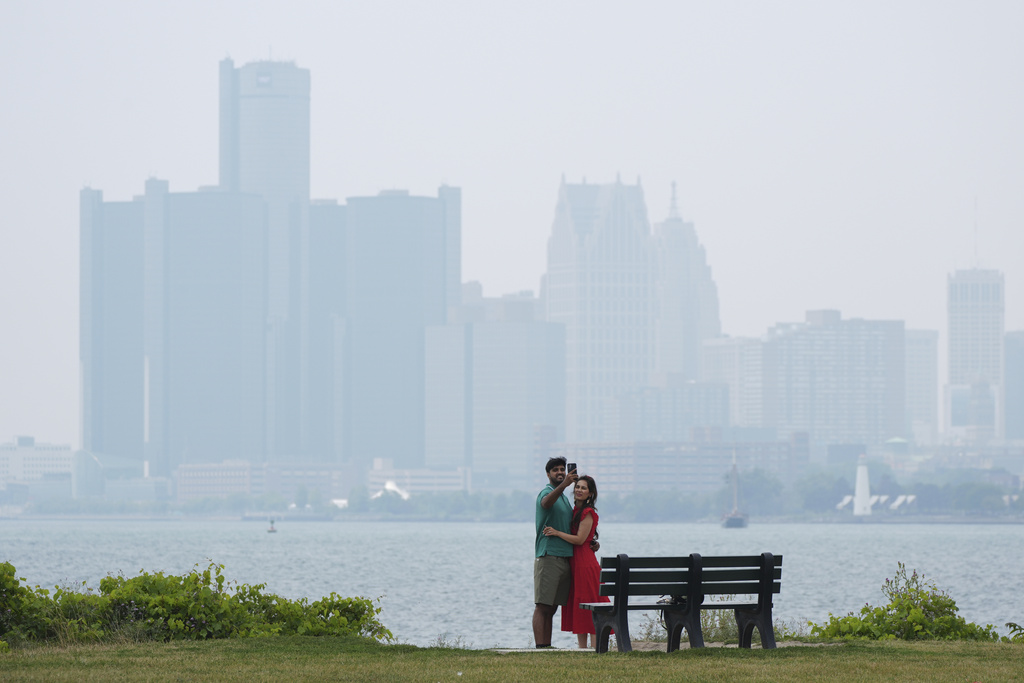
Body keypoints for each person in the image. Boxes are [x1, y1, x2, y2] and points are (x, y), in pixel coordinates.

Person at [543, 474, 610, 649]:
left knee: (591, 605)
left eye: (583, 488)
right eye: (577, 487)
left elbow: (580, 540)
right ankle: (582, 649)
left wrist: (557, 533)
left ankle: (597, 648)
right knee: (580, 605)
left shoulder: (588, 513)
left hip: (586, 565)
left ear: (590, 493)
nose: (579, 490)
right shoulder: (574, 511)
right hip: (575, 564)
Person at [532, 456, 576, 648]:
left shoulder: (564, 498)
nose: (560, 472)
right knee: (542, 606)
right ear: (548, 474)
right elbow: (546, 504)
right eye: (556, 470)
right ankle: (540, 647)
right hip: (548, 555)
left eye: (562, 469)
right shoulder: (548, 492)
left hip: (565, 556)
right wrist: (564, 486)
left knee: (552, 607)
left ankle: (547, 646)